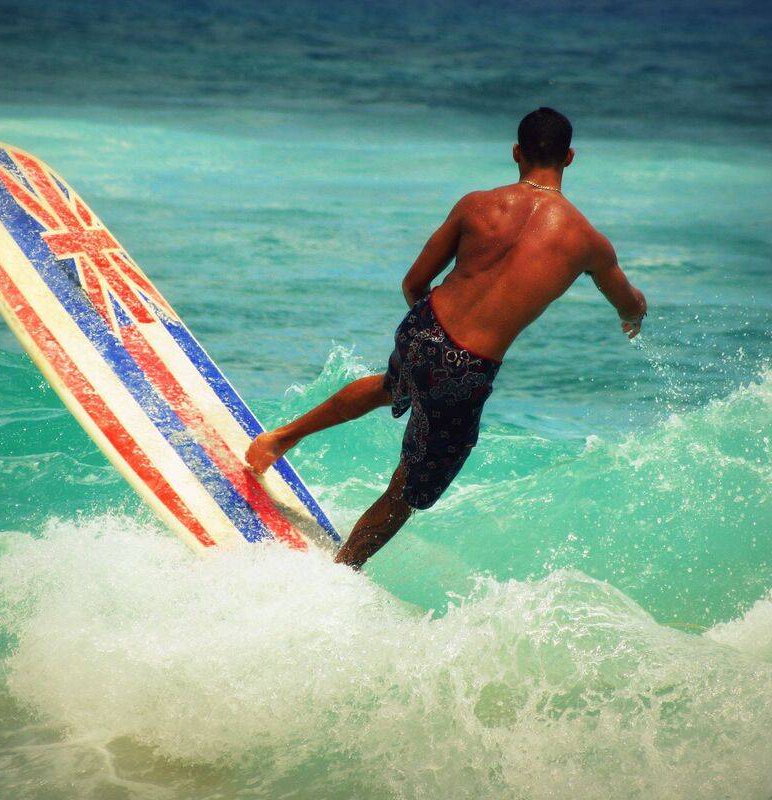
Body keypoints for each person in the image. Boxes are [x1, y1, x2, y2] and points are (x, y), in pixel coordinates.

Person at [246, 107, 647, 568]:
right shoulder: (589, 243)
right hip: (468, 368)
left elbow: (413, 282)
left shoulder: (475, 205)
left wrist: (428, 336)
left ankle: (279, 439)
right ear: (570, 157)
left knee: (390, 385)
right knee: (407, 491)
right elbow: (627, 303)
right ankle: (341, 573)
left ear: (516, 152)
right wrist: (635, 313)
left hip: (424, 326)